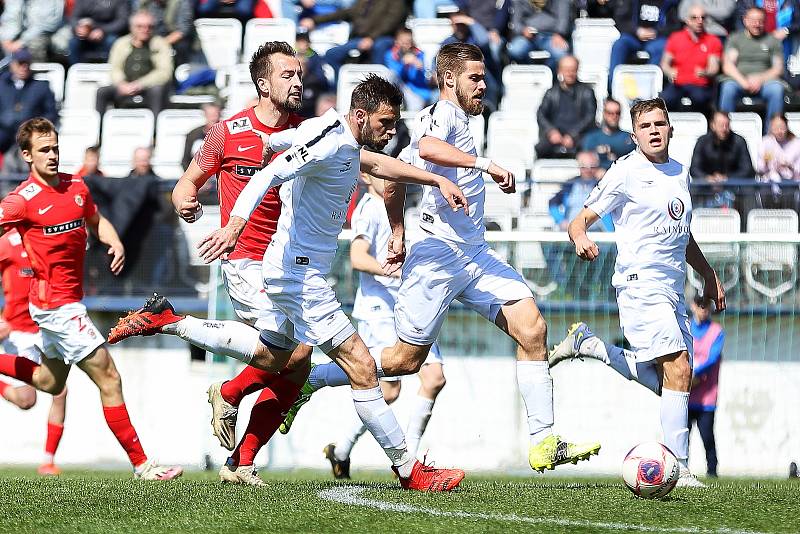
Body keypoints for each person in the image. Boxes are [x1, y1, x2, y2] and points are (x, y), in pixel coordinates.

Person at [109, 68, 469, 490]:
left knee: (276, 355)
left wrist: (434, 177)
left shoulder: (336, 134)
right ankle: (410, 471)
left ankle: (171, 323)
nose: (390, 131)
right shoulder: (331, 138)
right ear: (359, 116)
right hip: (298, 275)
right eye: (385, 123)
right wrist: (235, 225)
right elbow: (269, 174)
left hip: (294, 270)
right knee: (362, 366)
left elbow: (337, 154)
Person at [378, 43, 600, 474]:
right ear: (448, 80)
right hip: (437, 257)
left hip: (474, 254)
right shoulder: (439, 115)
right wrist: (484, 165)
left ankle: (543, 441)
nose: (483, 84)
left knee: (532, 328)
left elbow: (394, 181)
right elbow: (424, 149)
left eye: (483, 77)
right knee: (406, 362)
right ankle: (310, 375)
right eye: (474, 78)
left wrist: (398, 229)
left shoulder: (460, 120)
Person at [111, 41, 311, 487]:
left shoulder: (306, 133)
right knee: (290, 353)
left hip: (291, 263)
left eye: (299, 75)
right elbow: (186, 184)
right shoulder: (227, 131)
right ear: (263, 83)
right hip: (244, 259)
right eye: (287, 75)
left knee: (297, 362)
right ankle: (180, 331)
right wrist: (186, 204)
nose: (298, 82)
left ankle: (240, 462)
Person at [549, 97, 726, 488]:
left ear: (671, 129)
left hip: (672, 287)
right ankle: (678, 469)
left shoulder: (680, 173)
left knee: (673, 379)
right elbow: (580, 220)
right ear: (634, 135)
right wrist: (579, 236)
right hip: (639, 283)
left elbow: (683, 235)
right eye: (646, 126)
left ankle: (591, 345)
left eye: (660, 124)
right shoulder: (625, 172)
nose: (654, 131)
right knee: (679, 366)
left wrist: (708, 274)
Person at [0, 117, 182, 481]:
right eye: (43, 150)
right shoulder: (21, 202)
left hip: (64, 304)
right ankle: (143, 465)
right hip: (56, 308)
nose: (52, 156)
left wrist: (112, 240)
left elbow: (95, 220)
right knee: (110, 378)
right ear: (27, 156)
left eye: (55, 148)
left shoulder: (76, 186)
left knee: (49, 383)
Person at [317, 172, 447, 478]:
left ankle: (409, 460)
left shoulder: (396, 208)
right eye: (381, 173)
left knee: (434, 378)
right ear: (365, 176)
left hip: (409, 309)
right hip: (380, 309)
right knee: (388, 391)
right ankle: (341, 446)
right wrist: (393, 273)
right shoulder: (369, 208)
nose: (389, 179)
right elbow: (358, 257)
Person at [0, 228, 68, 476]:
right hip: (18, 333)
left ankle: (48, 462)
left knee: (59, 390)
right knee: (26, 400)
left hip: (46, 327)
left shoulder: (45, 236)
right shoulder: (6, 243)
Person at [299, 0, 409, 79]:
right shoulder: (363, 2)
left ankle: (379, 86)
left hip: (384, 38)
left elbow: (391, 22)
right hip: (360, 39)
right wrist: (315, 20)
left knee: (378, 47)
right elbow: (344, 13)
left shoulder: (397, 2)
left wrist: (371, 38)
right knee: (331, 54)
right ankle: (340, 89)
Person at [95, 10, 174, 119]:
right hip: (124, 85)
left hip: (148, 86)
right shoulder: (121, 43)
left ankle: (155, 131)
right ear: (132, 27)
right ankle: (99, 130)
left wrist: (140, 84)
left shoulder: (160, 44)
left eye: (149, 26)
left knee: (157, 90)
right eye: (140, 26)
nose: (145, 30)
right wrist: (121, 83)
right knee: (102, 92)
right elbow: (115, 68)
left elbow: (164, 72)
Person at [719, 7, 785, 129]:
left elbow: (778, 68)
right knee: (728, 88)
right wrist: (744, 81)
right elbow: (728, 66)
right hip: (739, 81)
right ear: (745, 21)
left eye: (760, 21)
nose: (757, 24)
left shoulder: (772, 41)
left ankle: (772, 133)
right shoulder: (736, 39)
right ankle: (725, 130)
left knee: (777, 90)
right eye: (753, 20)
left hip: (765, 82)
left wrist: (759, 79)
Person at [660, 4, 723, 114]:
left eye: (702, 18)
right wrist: (669, 71)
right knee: (664, 100)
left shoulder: (713, 41)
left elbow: (714, 67)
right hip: (678, 83)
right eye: (694, 18)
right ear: (687, 20)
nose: (699, 21)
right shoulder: (675, 38)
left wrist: (706, 72)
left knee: (700, 99)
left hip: (699, 84)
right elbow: (665, 63)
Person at [608, 1, 682, 89]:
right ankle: (613, 87)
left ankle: (648, 89)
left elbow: (675, 25)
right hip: (633, 36)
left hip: (657, 38)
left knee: (662, 47)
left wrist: (656, 32)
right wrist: (636, 30)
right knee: (619, 45)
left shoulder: (670, 3)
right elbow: (621, 19)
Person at [688, 294, 723, 478]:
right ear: (693, 306)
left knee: (707, 437)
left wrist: (695, 372)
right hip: (685, 395)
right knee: (681, 436)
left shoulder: (716, 331)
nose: (703, 310)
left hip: (706, 397)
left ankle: (712, 471)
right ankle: (678, 470)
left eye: (706, 306)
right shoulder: (686, 328)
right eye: (700, 305)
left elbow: (713, 357)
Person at [535, 55, 597, 159]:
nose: (570, 73)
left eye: (573, 69)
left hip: (579, 136)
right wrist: (551, 131)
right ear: (560, 71)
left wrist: (572, 135)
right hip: (555, 136)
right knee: (540, 148)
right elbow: (541, 114)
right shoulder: (551, 93)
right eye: (566, 69)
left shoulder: (587, 92)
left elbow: (590, 117)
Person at [0, 48, 58, 155]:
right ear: (12, 65)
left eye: (27, 63)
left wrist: (34, 127)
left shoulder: (41, 87)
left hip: (31, 133)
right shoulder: (2, 85)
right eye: (21, 63)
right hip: (4, 133)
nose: (24, 67)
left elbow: (51, 113)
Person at [549, 151, 612, 232]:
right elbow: (552, 203)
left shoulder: (603, 185)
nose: (588, 170)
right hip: (573, 232)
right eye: (584, 167)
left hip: (598, 232)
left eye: (592, 167)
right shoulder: (569, 185)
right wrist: (560, 221)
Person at [690, 110, 755, 182]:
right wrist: (708, 178)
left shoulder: (739, 141)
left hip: (734, 186)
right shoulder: (702, 142)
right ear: (713, 125)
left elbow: (747, 170)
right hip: (706, 187)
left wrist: (726, 178)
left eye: (727, 125)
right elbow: (694, 169)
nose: (724, 129)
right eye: (721, 125)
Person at [506, 0, 571, 68]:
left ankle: (549, 73)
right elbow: (516, 22)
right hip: (527, 37)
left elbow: (564, 18)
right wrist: (523, 30)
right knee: (515, 51)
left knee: (561, 54)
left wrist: (559, 34)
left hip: (552, 36)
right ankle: (530, 72)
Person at [383, 27, 432, 112]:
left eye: (409, 41)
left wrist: (420, 69)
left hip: (415, 91)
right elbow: (394, 76)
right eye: (403, 42)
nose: (406, 44)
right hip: (398, 88)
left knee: (416, 105)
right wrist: (403, 63)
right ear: (397, 41)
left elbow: (425, 79)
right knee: (389, 74)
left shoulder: (420, 55)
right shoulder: (390, 55)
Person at [134, 0, 194, 66]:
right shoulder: (144, 3)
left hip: (174, 42)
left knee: (182, 46)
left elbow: (182, 30)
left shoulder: (181, 2)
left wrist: (160, 44)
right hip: (151, 38)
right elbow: (136, 24)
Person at [0, 0, 64, 62]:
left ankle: (34, 72)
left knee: (34, 45)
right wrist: (6, 40)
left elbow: (46, 25)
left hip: (47, 35)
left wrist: (21, 42)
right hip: (21, 37)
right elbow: (11, 17)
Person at [581, 98, 635, 171]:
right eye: (610, 113)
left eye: (617, 113)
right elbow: (585, 161)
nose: (614, 116)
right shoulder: (591, 138)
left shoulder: (628, 138)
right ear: (604, 114)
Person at [68, 0, 130, 64]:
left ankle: (110, 70)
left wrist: (102, 30)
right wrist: (79, 28)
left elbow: (122, 22)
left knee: (112, 41)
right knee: (73, 42)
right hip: (86, 33)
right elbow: (74, 18)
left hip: (108, 32)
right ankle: (76, 70)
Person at [758, 113, 800, 182]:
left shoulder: (796, 143)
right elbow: (760, 168)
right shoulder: (766, 142)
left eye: (782, 127)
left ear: (787, 127)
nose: (779, 131)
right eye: (775, 128)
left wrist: (790, 166)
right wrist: (765, 163)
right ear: (771, 128)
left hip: (792, 182)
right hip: (769, 182)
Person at [181, 102, 221, 170]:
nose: (213, 118)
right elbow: (185, 160)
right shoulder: (193, 135)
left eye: (215, 115)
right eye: (210, 115)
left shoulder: (227, 134)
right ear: (205, 115)